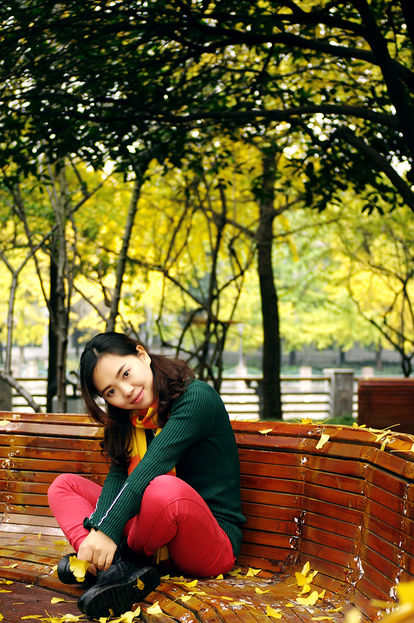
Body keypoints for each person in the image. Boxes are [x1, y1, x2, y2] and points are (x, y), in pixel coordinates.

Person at [48, 332, 246, 619]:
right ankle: (103, 564)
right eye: (111, 392)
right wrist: (98, 531)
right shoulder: (129, 418)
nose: (126, 391)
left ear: (142, 354)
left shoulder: (195, 398)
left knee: (163, 488)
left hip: (210, 541)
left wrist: (107, 531)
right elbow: (118, 479)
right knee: (64, 486)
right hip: (151, 530)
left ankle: (116, 562)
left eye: (126, 373)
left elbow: (149, 468)